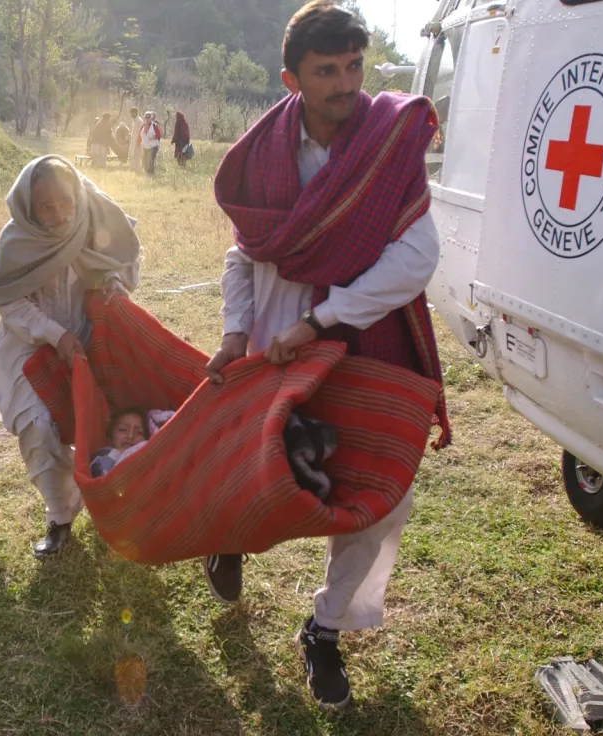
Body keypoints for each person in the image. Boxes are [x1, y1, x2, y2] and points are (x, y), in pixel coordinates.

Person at [207, 1, 448, 712]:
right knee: (262, 472)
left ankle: (325, 629)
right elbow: (241, 255)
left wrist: (327, 317)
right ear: (293, 79)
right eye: (327, 71)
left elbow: (418, 257)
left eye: (353, 66)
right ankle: (228, 537)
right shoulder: (261, 155)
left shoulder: (388, 139)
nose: (347, 85)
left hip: (362, 341)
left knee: (379, 492)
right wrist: (232, 333)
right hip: (275, 344)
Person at [0, 156, 141, 558]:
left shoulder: (94, 219)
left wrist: (111, 280)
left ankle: (119, 499)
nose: (59, 215)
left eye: (65, 202)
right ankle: (59, 516)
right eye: (46, 207)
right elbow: (11, 305)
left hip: (88, 342)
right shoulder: (16, 243)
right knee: (39, 426)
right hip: (28, 347)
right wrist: (55, 335)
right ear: (29, 208)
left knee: (109, 417)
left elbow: (122, 258)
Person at [128, 107, 142, 172]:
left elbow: (140, 132)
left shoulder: (139, 121)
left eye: (132, 113)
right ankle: (132, 169)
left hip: (137, 141)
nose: (131, 115)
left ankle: (137, 170)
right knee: (132, 155)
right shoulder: (134, 121)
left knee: (137, 156)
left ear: (136, 113)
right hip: (133, 141)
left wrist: (138, 142)